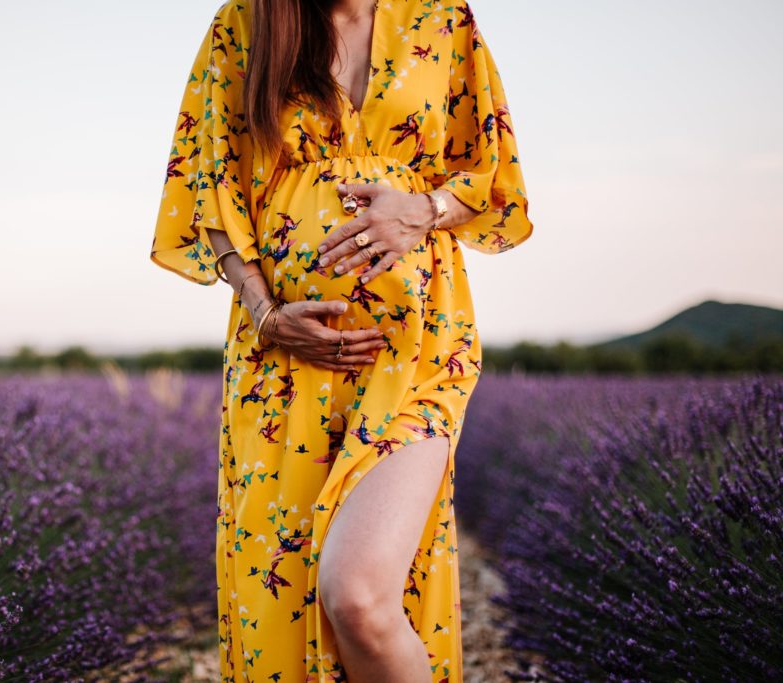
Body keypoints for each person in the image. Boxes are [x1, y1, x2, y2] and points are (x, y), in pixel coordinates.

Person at [149, 0, 533, 680]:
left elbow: (489, 173)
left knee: (357, 595)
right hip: (282, 365)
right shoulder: (249, 20)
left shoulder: (443, 18)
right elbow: (209, 181)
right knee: (284, 598)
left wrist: (421, 209)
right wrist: (265, 312)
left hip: (416, 351)